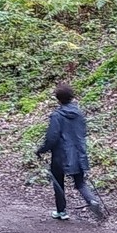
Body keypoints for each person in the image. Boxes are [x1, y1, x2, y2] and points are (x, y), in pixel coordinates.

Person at [35, 82, 107, 222]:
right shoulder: (79, 114)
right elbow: (82, 132)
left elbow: (52, 137)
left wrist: (41, 150)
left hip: (60, 155)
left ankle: (61, 211)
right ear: (72, 97)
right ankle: (92, 201)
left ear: (58, 99)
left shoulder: (57, 115)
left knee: (58, 181)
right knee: (80, 183)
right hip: (79, 152)